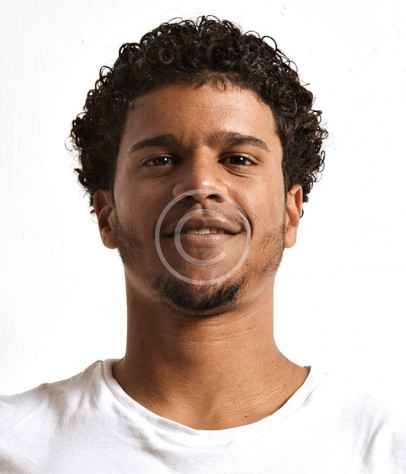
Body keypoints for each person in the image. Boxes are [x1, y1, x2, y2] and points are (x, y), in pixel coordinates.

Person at [1, 15, 404, 474]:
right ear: (107, 213)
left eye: (238, 159)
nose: (200, 184)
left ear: (290, 211)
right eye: (161, 159)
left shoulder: (384, 453)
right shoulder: (14, 446)